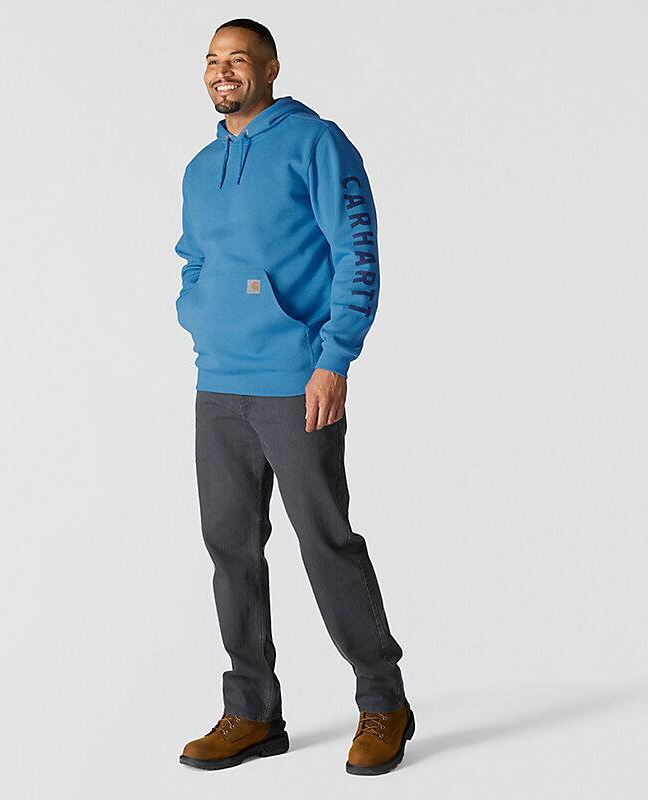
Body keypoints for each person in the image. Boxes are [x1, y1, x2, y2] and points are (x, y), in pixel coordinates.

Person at [174, 18, 414, 776]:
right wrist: (197, 311)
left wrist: (334, 359)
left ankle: (384, 701)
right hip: (218, 384)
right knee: (230, 549)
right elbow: (192, 257)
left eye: (238, 59)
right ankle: (252, 712)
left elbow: (357, 249)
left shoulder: (317, 143)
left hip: (295, 380)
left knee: (325, 541)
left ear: (271, 67)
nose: (223, 71)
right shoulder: (198, 168)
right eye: (213, 60)